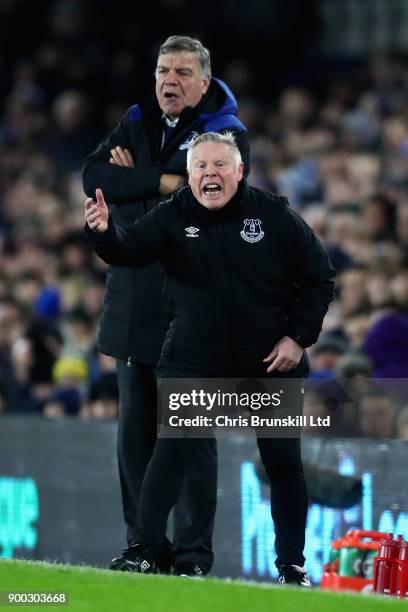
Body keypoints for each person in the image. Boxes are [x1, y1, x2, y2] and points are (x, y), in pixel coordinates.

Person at [84, 131, 335, 585]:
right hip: (196, 358)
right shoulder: (173, 212)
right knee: (169, 455)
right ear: (190, 174)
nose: (209, 174)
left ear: (240, 172)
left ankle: (291, 567)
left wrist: (298, 338)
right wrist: (103, 231)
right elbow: (127, 250)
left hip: (269, 362)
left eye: (220, 165)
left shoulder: (275, 216)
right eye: (200, 166)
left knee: (282, 465)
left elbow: (320, 279)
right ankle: (143, 549)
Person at [82, 35, 250, 576]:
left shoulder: (225, 132)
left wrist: (135, 183)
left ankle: (194, 555)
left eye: (180, 72)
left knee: (190, 437)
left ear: (204, 81)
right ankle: (144, 549)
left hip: (192, 308)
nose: (168, 81)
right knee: (135, 437)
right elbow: (95, 178)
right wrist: (159, 178)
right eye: (161, 70)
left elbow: (202, 198)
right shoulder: (137, 120)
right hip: (133, 302)